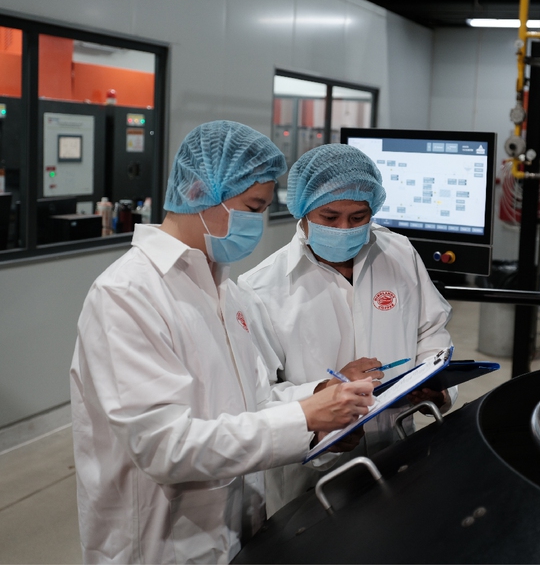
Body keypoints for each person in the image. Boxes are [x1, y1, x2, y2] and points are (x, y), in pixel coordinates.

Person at [68, 121, 380, 564]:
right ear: (199, 191)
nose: (257, 223)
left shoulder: (226, 291)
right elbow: (164, 446)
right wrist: (303, 418)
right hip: (163, 547)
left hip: (237, 533)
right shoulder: (127, 295)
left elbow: (251, 402)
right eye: (253, 207)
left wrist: (319, 399)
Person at [238, 143, 456, 515]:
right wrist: (326, 392)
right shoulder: (261, 289)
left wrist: (434, 382)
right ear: (302, 211)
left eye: (358, 217)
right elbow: (257, 397)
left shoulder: (398, 253)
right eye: (330, 216)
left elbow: (430, 330)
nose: (344, 229)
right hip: (312, 481)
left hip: (397, 452)